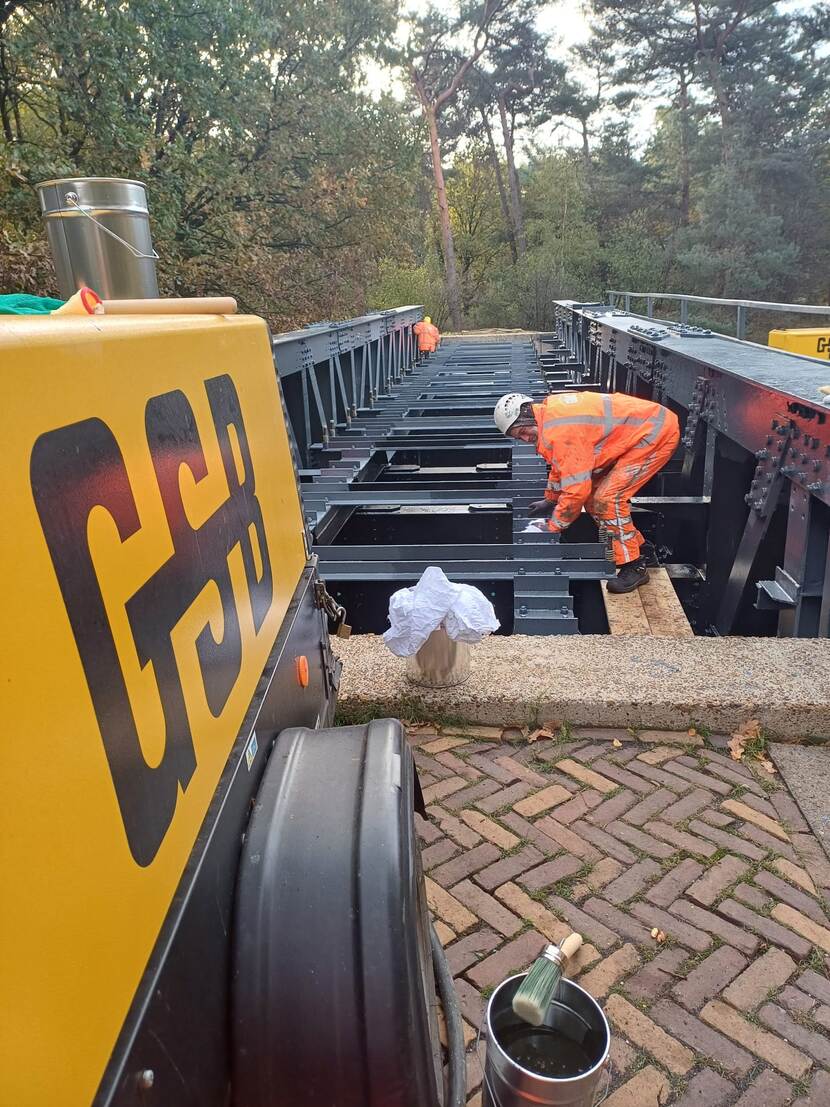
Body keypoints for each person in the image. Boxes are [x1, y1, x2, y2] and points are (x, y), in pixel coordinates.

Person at [494, 390, 680, 593]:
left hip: (654, 433)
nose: (525, 438)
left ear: (526, 415)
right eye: (519, 438)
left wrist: (554, 526)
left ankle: (634, 565)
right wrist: (551, 499)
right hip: (638, 432)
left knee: (607, 500)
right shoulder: (548, 418)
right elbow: (562, 465)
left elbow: (576, 491)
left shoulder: (560, 432)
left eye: (523, 431)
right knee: (593, 500)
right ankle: (641, 549)